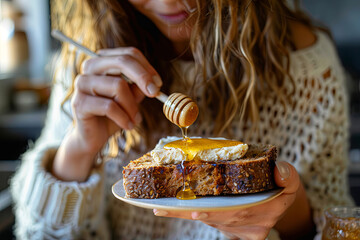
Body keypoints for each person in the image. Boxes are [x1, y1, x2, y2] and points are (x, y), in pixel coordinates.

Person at [10, 0, 354, 239]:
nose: (169, 2)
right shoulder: (92, 63)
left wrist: (288, 208)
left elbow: (339, 225)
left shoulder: (308, 67)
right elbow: (36, 234)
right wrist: (79, 148)